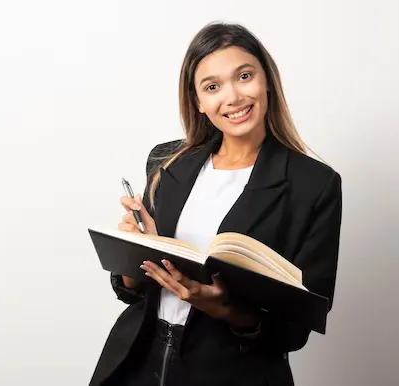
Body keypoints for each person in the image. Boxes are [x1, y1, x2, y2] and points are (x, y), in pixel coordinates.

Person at [89, 22, 343, 386]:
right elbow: (133, 290)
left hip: (231, 372)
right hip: (138, 363)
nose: (233, 97)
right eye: (212, 87)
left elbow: (298, 327)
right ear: (198, 101)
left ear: (267, 79)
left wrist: (224, 308)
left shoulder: (315, 185)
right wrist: (134, 252)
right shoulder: (168, 161)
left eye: (244, 76)